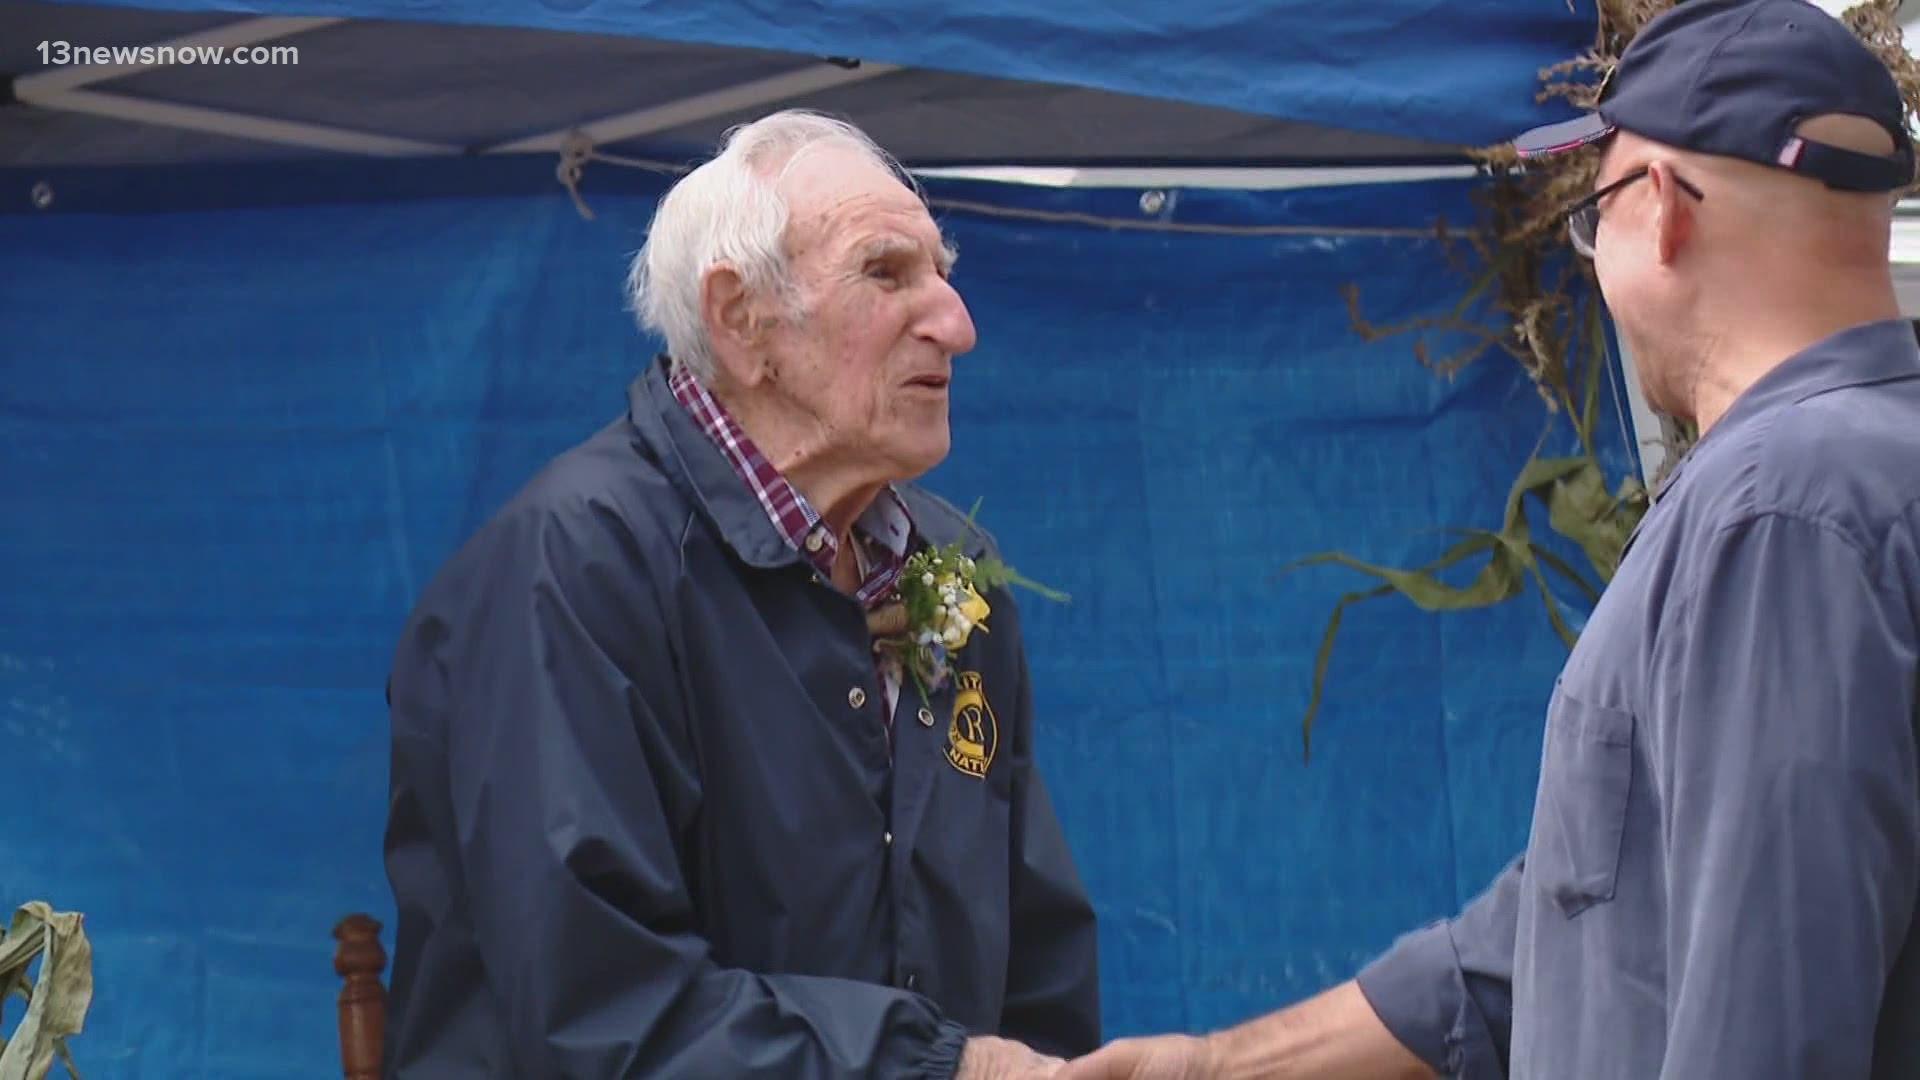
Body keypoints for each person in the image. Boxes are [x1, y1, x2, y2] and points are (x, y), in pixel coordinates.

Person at [1059, 1, 1920, 1077]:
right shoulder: (1849, 471)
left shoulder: (1780, 510)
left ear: (1658, 210)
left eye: (1589, 213)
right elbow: (1582, 910)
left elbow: (1774, 1000)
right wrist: (1213, 1065)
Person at [380, 108, 1100, 1078]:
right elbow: (599, 1010)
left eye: (944, 271)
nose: (955, 324)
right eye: (887, 273)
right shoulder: (569, 571)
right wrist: (940, 1070)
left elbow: (1034, 949)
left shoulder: (948, 567)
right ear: (740, 318)